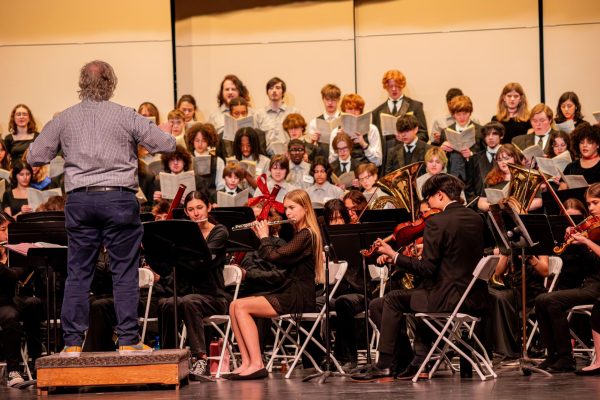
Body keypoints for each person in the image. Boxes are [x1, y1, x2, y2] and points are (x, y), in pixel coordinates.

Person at [26, 60, 176, 356]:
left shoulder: (64, 119)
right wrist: (158, 131)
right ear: (111, 84)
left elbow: (35, 156)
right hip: (118, 198)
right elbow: (167, 145)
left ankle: (71, 344)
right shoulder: (125, 115)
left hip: (80, 200)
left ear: (82, 84)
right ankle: (129, 340)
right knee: (123, 271)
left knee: (78, 272)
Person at [351, 173, 488, 381]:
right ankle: (413, 362)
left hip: (445, 299)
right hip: (472, 297)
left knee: (391, 299)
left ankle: (385, 365)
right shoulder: (476, 218)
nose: (429, 203)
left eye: (430, 198)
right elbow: (457, 256)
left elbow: (427, 269)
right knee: (386, 302)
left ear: (440, 195)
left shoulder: (438, 222)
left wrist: (394, 255)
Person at [227, 189, 323, 380]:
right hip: (288, 291)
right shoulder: (299, 234)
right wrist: (263, 238)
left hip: (298, 295)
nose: (288, 213)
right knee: (234, 305)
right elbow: (279, 260)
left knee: (242, 308)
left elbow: (273, 256)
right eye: (286, 208)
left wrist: (264, 237)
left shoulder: (307, 235)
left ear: (305, 208)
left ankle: (257, 363)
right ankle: (246, 362)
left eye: (292, 208)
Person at [156, 190, 229, 379]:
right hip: (186, 294)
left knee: (190, 301)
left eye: (200, 208)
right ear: (186, 213)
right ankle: (169, 357)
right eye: (191, 210)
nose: (196, 213)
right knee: (166, 303)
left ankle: (201, 359)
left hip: (214, 297)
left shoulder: (219, 231)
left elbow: (202, 263)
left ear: (209, 207)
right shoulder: (183, 233)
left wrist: (179, 255)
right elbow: (169, 264)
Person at [534, 184, 600, 373]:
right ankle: (553, 355)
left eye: (595, 202)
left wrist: (586, 241)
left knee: (553, 301)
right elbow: (590, 264)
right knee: (541, 300)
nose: (591, 208)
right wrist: (577, 244)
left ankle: (566, 358)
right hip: (590, 282)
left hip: (597, 287)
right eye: (589, 204)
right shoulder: (594, 226)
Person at [0, 211, 43, 387]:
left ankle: (36, 360)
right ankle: (13, 370)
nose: (6, 234)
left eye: (9, 229)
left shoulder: (15, 252)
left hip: (13, 298)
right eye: (3, 229)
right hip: (1, 302)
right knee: (9, 316)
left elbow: (16, 274)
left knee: (34, 303)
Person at [370, 70, 428, 170]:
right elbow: (375, 140)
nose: (394, 89)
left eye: (397, 86)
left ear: (402, 86)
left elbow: (424, 134)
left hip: (409, 156)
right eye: (390, 86)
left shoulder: (415, 107)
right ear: (385, 87)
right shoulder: (377, 112)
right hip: (386, 159)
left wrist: (409, 138)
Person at [438, 95, 484, 185]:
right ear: (453, 115)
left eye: (465, 114)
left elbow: (485, 155)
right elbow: (442, 159)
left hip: (474, 178)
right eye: (458, 114)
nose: (462, 117)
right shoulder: (446, 132)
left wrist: (471, 154)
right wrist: (442, 150)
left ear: (470, 113)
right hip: (452, 177)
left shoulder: (480, 131)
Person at [328, 93, 382, 167]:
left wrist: (363, 144)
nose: (353, 112)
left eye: (356, 109)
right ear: (344, 111)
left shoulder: (372, 129)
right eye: (350, 109)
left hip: (365, 173)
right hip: (345, 172)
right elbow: (331, 162)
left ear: (361, 111)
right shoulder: (335, 132)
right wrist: (338, 142)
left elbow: (378, 162)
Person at [256, 77, 300, 155]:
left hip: (289, 156)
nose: (274, 91)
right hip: (267, 157)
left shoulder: (293, 112)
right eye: (271, 88)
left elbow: (300, 136)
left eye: (278, 88)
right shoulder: (259, 114)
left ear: (283, 92)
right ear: (267, 92)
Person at [467, 121, 504, 202]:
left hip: (502, 204)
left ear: (501, 136)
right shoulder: (475, 158)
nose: (490, 137)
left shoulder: (509, 157)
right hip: (479, 207)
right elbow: (469, 186)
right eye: (487, 134)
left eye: (494, 134)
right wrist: (475, 204)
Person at [185, 122, 225, 197]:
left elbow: (221, 186)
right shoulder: (188, 159)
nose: (200, 144)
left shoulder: (218, 161)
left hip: (212, 199)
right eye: (197, 140)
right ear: (192, 141)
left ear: (209, 141)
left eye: (203, 141)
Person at [307, 83, 342, 160]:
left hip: (341, 160)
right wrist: (312, 141)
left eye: (333, 100)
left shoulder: (344, 119)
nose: (330, 103)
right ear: (323, 99)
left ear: (338, 100)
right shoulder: (315, 122)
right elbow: (310, 151)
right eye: (327, 99)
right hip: (322, 162)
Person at [560, 123, 600, 187]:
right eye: (581, 142)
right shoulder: (571, 167)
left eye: (589, 142)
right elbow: (561, 192)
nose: (584, 145)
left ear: (598, 145)